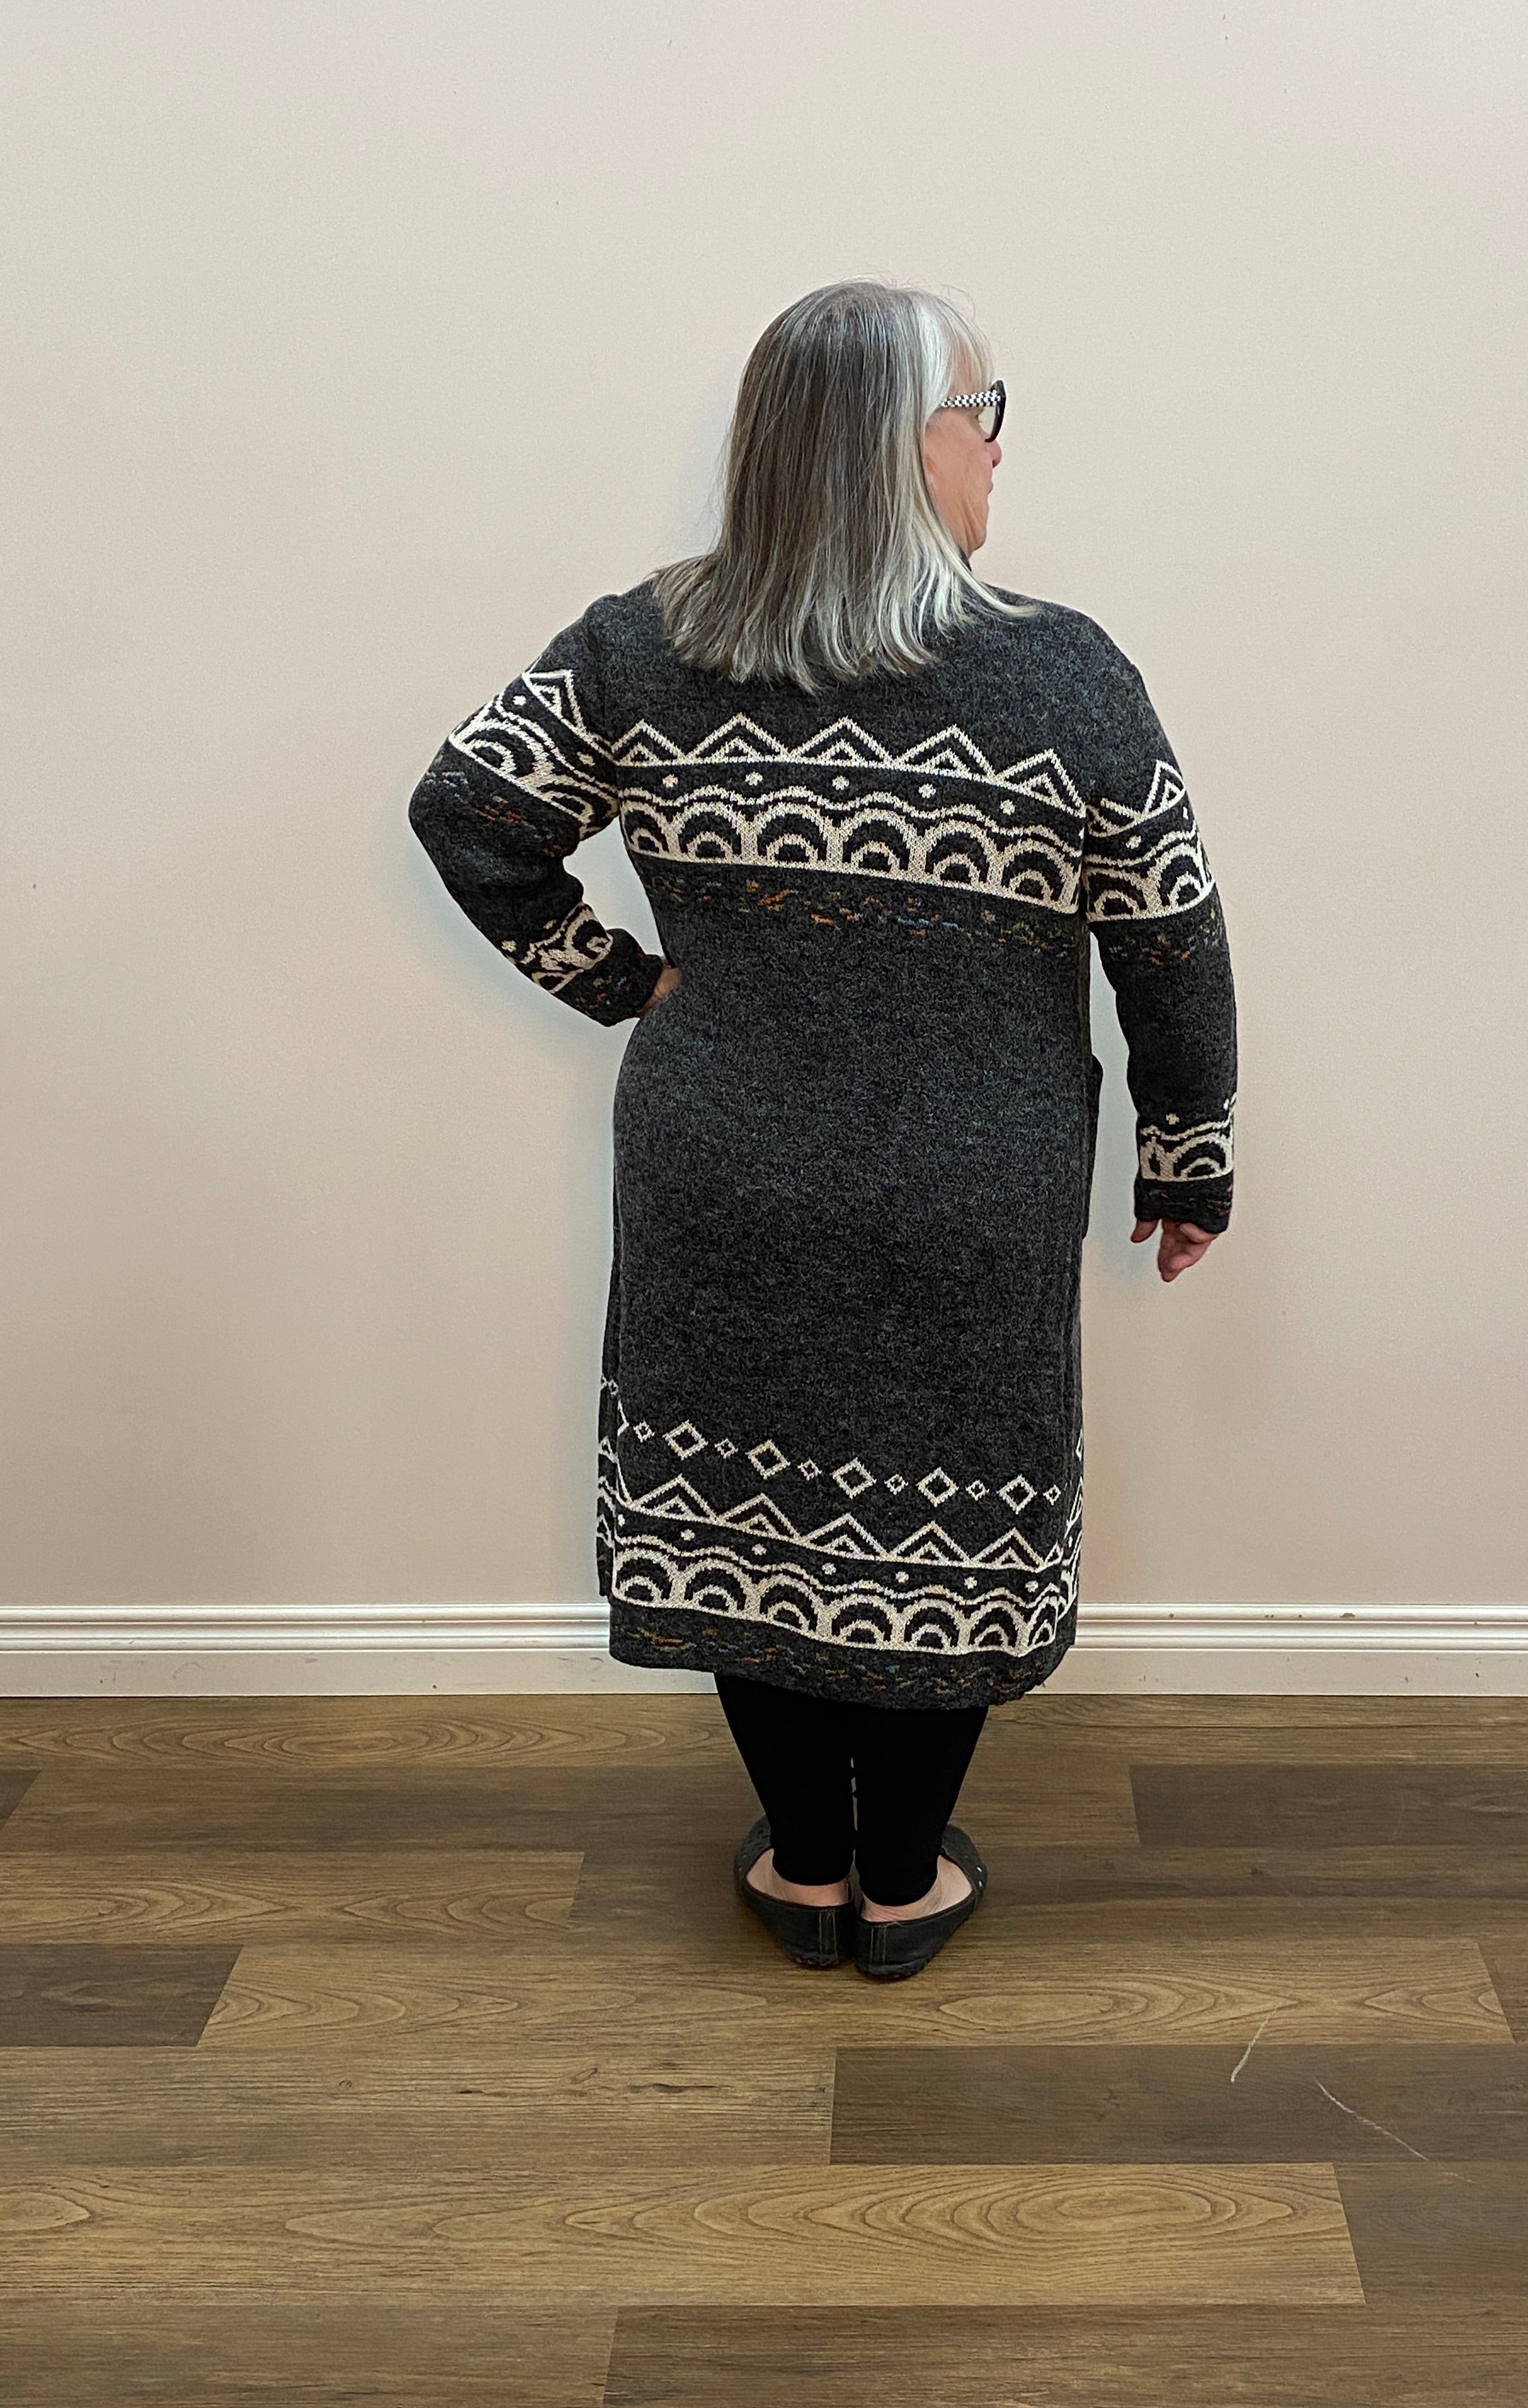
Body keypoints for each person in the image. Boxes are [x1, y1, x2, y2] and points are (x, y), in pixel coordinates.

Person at [407, 280, 1236, 1980]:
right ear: (905, 442)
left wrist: (629, 985)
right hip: (975, 1181)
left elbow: (467, 817)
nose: (998, 451)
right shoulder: (1064, 677)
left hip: (728, 1167)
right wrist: (1188, 1148)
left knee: (747, 1508)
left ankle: (801, 1865)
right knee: (949, 1511)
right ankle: (902, 1881)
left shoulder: (642, 646)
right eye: (984, 415)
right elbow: (1171, 932)